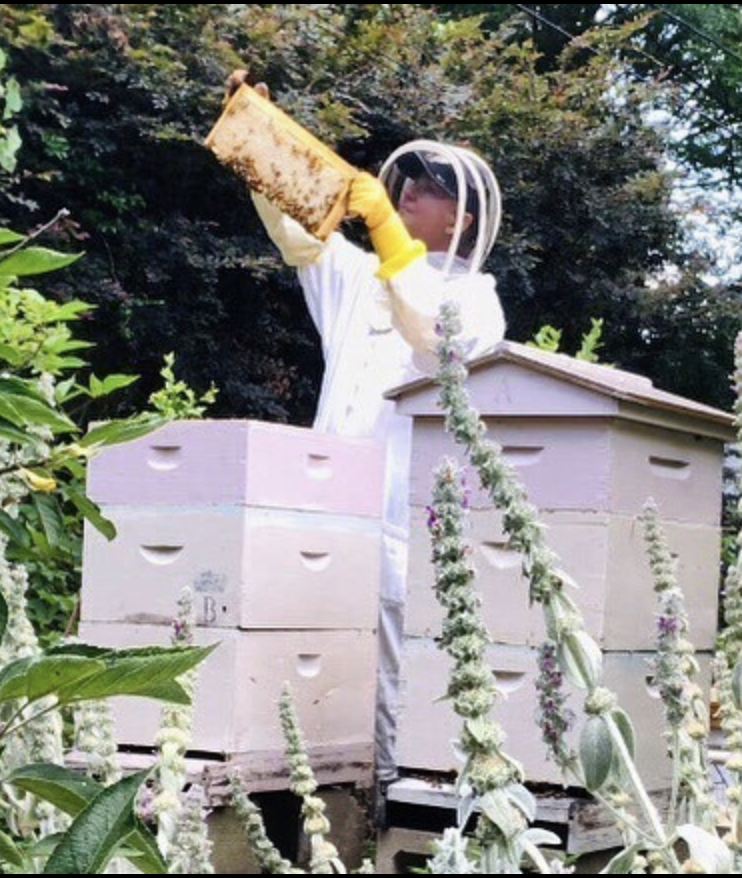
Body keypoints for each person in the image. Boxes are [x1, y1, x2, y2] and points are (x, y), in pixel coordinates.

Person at [225, 71, 507, 783]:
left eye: (429, 187)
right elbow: (299, 233)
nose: (410, 191)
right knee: (303, 652)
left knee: (393, 675)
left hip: (403, 522)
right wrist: (259, 133)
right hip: (323, 508)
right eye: (404, 182)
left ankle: (385, 808)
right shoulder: (358, 277)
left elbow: (430, 337)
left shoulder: (477, 303)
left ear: (462, 218)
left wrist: (382, 223)